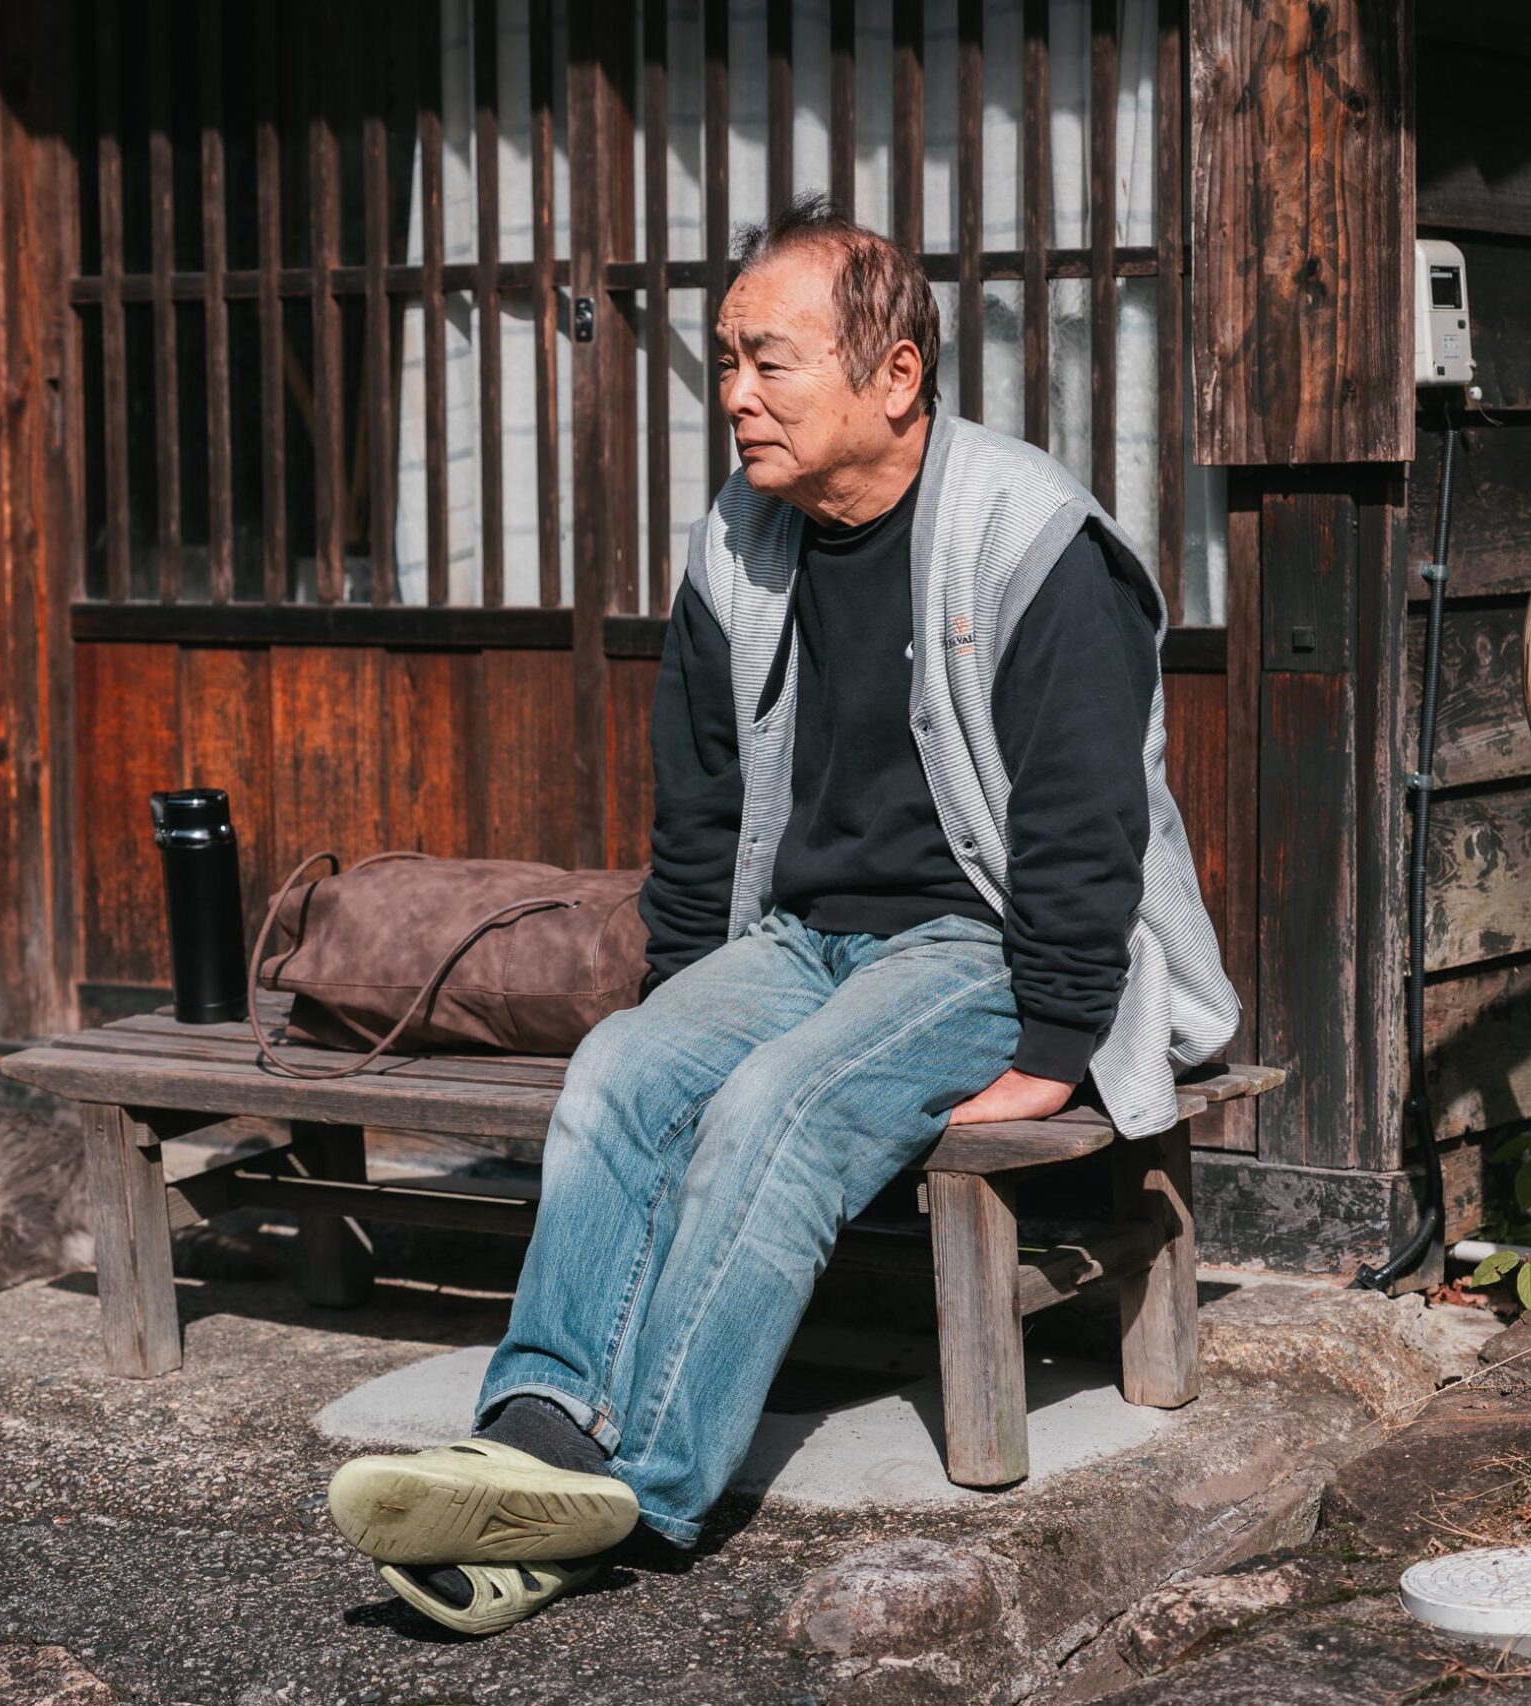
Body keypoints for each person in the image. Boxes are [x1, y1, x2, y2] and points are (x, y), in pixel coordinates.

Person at [327, 195, 1239, 1637]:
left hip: (981, 943)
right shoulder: (738, 542)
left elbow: (1085, 817)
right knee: (622, 1069)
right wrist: (685, 996)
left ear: (896, 375)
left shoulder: (1030, 535)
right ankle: (534, 1439)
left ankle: (641, 1492)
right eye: (727, 362)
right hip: (800, 939)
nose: (736, 395)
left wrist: (1058, 1041)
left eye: (770, 361)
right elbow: (697, 802)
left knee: (778, 1107)